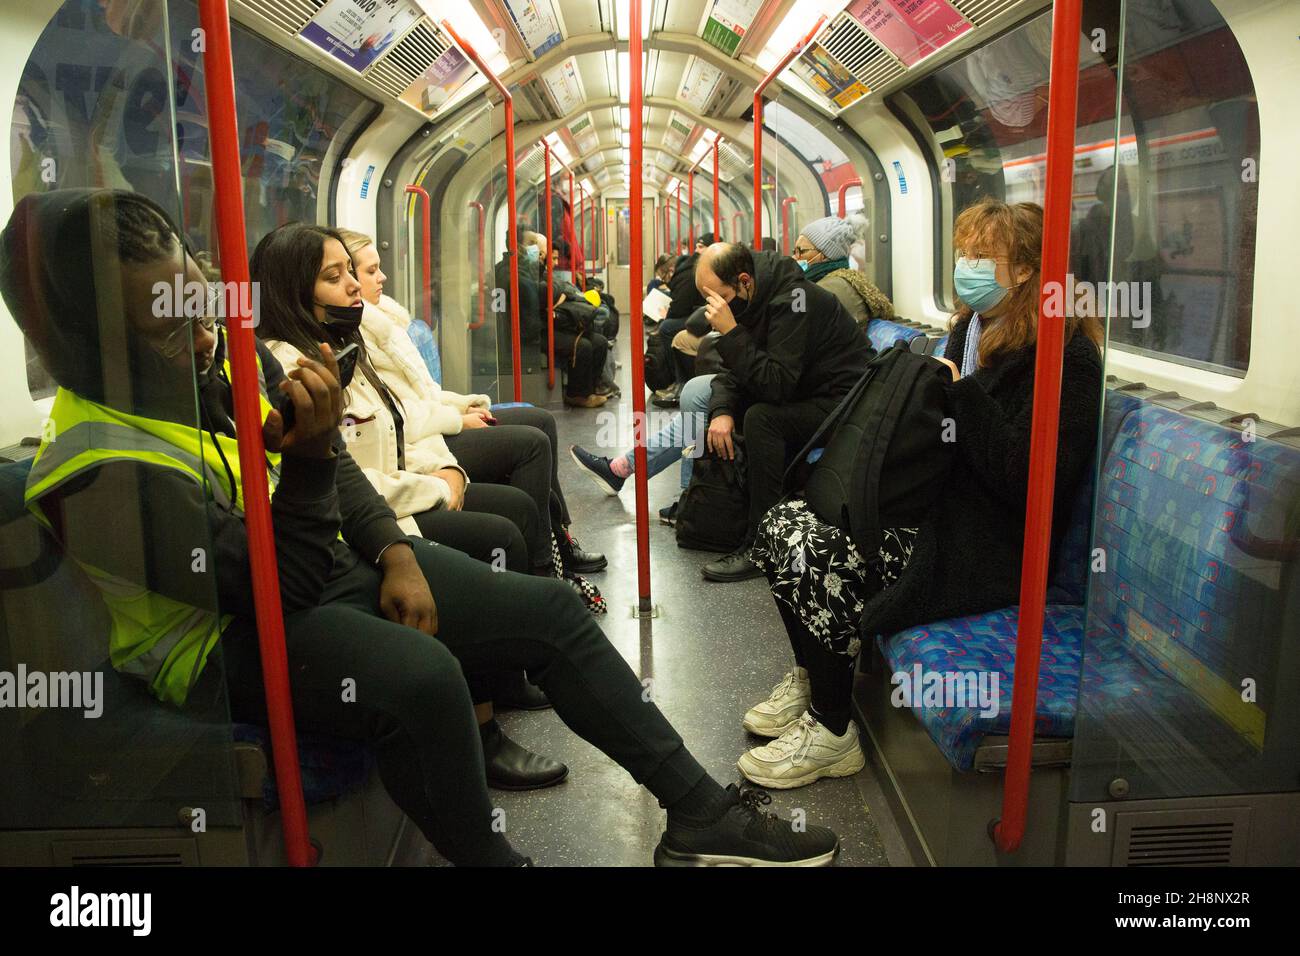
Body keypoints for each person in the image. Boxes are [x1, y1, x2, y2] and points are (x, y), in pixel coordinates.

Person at [3, 188, 841, 867]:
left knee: (546, 614)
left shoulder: (212, 365)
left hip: (318, 564)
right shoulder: (93, 469)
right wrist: (312, 460)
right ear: (84, 343)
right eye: (162, 321)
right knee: (425, 677)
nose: (199, 331)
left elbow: (325, 468)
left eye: (195, 298)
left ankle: (700, 813)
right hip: (224, 641)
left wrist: (398, 553)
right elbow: (274, 584)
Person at [742, 199, 1103, 788]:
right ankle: (813, 673)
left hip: (987, 545)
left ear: (1031, 271)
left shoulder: (1066, 362)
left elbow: (1027, 481)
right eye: (963, 253)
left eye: (984, 257)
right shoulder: (969, 328)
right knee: (783, 523)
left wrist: (959, 394)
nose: (968, 267)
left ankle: (833, 732)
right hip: (937, 508)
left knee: (818, 550)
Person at [250, 222, 570, 789]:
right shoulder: (296, 371)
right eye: (336, 277)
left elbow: (397, 424)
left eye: (355, 272)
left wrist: (444, 467)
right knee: (498, 535)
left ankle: (506, 672)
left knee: (515, 515)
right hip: (366, 524)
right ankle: (481, 729)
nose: (355, 287)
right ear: (294, 291)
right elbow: (349, 475)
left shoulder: (343, 345)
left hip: (399, 491)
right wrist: (436, 484)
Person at [336, 229, 606, 576]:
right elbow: (400, 415)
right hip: (423, 439)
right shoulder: (360, 336)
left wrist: (463, 404)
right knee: (532, 443)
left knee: (541, 420)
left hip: (430, 424)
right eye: (370, 271)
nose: (381, 277)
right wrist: (456, 419)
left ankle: (558, 540)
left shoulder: (384, 323)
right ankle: (546, 564)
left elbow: (422, 392)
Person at [693, 242, 872, 582]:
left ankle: (762, 548)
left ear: (744, 280)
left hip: (846, 401)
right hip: (808, 390)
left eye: (721, 299)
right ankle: (713, 508)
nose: (715, 310)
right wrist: (721, 411)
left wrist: (730, 332)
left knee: (762, 419)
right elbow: (738, 371)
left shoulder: (794, 301)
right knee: (712, 402)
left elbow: (776, 385)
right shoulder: (755, 299)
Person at [791, 216, 895, 329]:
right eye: (794, 251)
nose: (794, 257)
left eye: (801, 251)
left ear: (824, 255)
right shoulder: (834, 280)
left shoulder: (828, 288)